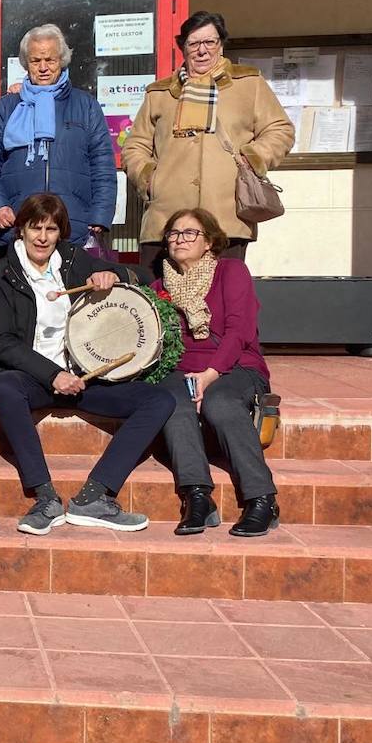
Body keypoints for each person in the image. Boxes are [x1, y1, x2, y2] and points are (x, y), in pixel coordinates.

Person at [0, 192, 175, 535]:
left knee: (159, 400)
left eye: (52, 229)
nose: (42, 237)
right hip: (37, 379)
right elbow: (4, 343)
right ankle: (45, 497)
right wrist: (52, 374)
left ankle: (94, 496)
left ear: (61, 233)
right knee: (4, 387)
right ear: (21, 230)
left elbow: (143, 276)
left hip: (86, 377)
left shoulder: (73, 260)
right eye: (35, 227)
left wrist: (111, 275)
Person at [121, 10, 295, 277]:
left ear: (221, 44)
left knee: (221, 303)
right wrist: (149, 179)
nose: (202, 51)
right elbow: (135, 146)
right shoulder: (160, 93)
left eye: (209, 42)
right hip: (166, 220)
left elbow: (279, 129)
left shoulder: (249, 84)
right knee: (161, 304)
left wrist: (252, 158)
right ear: (183, 48)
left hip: (225, 219)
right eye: (194, 43)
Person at [152, 207, 279, 537]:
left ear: (208, 242)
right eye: (173, 233)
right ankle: (198, 498)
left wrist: (209, 376)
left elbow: (239, 332)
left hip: (236, 366)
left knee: (219, 404)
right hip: (181, 371)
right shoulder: (158, 286)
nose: (179, 239)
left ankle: (262, 499)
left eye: (189, 233)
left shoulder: (231, 272)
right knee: (171, 403)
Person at [0, 24, 116, 249]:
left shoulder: (85, 105)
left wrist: (100, 213)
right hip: (19, 225)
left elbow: (102, 164)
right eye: (35, 61)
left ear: (61, 60)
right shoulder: (7, 106)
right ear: (25, 63)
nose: (43, 67)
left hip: (72, 227)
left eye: (50, 60)